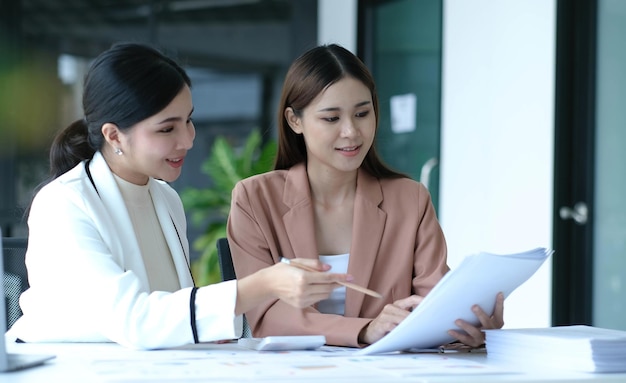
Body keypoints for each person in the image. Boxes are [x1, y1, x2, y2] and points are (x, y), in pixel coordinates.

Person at [7, 42, 350, 350]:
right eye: (167, 128)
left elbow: (173, 311)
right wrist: (264, 284)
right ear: (114, 135)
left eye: (188, 120)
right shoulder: (63, 204)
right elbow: (136, 321)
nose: (187, 139)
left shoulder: (165, 198)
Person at [227, 43, 504, 348]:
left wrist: (468, 326)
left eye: (362, 113)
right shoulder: (255, 198)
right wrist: (364, 330)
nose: (351, 132)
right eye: (331, 119)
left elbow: (433, 303)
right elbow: (266, 316)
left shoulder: (410, 199)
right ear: (295, 120)